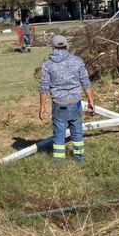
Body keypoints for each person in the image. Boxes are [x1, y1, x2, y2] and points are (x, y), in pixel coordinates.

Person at [39, 35, 95, 163]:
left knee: (59, 136)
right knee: (77, 133)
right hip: (75, 103)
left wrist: (42, 107)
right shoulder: (77, 61)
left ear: (53, 47)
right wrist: (91, 100)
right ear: (66, 46)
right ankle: (80, 159)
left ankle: (59, 163)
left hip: (59, 105)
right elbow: (85, 82)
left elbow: (44, 87)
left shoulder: (47, 65)